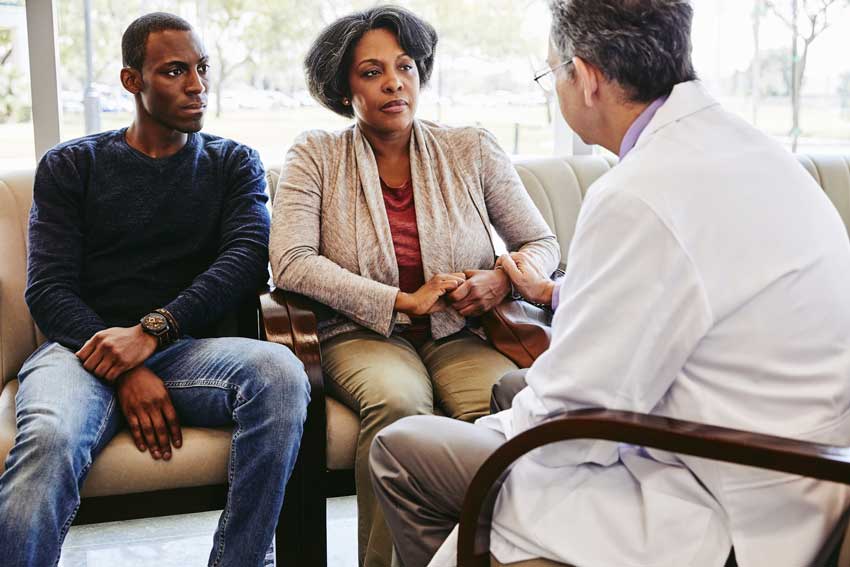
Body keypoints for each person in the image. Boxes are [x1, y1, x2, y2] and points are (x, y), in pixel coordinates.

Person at [369, 1, 850, 566]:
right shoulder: (754, 151)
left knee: (401, 452)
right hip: (807, 470)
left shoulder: (640, 191)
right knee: (508, 392)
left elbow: (572, 417)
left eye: (552, 73)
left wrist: (499, 427)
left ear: (589, 78)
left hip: (726, 496)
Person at [0, 12, 310, 567]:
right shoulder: (72, 165)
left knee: (282, 373)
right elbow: (47, 289)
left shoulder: (233, 162)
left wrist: (152, 333)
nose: (197, 86)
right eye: (175, 71)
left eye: (202, 69)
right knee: (49, 439)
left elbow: (244, 264)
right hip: (77, 352)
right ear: (131, 81)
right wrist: (123, 364)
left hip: (189, 353)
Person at [269, 6, 559, 566]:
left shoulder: (470, 147)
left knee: (503, 409)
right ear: (342, 85)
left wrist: (500, 280)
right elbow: (292, 262)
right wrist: (399, 300)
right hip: (361, 334)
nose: (394, 83)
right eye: (372, 71)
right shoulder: (315, 155)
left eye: (405, 67)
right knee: (399, 406)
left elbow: (541, 243)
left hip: (464, 333)